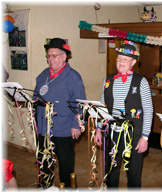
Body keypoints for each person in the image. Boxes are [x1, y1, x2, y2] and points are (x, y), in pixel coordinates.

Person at [95, 40, 153, 189]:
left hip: (133, 135)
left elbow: (148, 110)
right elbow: (103, 106)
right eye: (119, 58)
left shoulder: (142, 81)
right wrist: (98, 129)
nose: (121, 62)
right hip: (112, 133)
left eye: (125, 60)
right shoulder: (108, 80)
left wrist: (145, 137)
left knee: (133, 173)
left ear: (133, 62)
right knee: (110, 170)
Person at [33, 38, 86, 188]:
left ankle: (68, 188)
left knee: (65, 165)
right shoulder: (43, 74)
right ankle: (45, 187)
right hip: (44, 128)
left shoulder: (74, 77)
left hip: (63, 128)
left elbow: (80, 103)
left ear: (64, 57)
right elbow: (35, 97)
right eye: (48, 56)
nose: (50, 59)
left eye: (54, 56)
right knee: (44, 162)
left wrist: (77, 125)